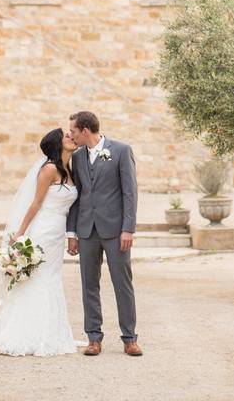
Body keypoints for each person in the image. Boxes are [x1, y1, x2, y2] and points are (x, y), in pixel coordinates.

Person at [0, 128, 79, 356]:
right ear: (57, 144)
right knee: (39, 279)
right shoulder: (49, 169)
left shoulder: (69, 169)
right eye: (66, 136)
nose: (71, 137)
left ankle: (52, 333)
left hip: (57, 233)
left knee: (52, 278)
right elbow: (35, 204)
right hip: (43, 230)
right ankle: (26, 334)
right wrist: (20, 234)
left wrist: (71, 235)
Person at [67, 111, 142, 357]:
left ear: (85, 130)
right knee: (89, 284)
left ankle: (130, 338)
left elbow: (130, 193)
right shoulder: (77, 157)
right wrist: (72, 233)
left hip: (115, 230)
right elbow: (75, 198)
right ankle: (93, 338)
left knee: (122, 283)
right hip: (87, 230)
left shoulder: (121, 151)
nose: (72, 135)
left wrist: (128, 229)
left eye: (74, 131)